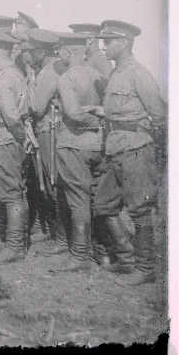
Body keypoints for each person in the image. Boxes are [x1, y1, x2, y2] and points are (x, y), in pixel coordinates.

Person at [89, 20, 167, 285]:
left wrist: (157, 152)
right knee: (104, 203)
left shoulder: (139, 73)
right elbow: (117, 110)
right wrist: (98, 111)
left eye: (109, 41)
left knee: (139, 209)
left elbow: (159, 115)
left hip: (135, 149)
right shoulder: (116, 73)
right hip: (116, 147)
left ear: (124, 42)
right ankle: (127, 259)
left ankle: (145, 269)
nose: (104, 46)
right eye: (103, 41)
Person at [48, 31, 115, 272]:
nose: (59, 54)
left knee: (78, 200)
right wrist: (99, 121)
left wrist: (90, 119)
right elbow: (107, 109)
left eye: (61, 51)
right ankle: (104, 253)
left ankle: (79, 255)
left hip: (73, 144)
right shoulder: (99, 75)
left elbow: (74, 113)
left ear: (67, 52)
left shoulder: (66, 77)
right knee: (97, 199)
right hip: (98, 145)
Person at [0, 28, 30, 265]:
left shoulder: (2, 77)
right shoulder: (16, 73)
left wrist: (21, 138)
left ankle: (14, 247)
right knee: (16, 192)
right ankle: (16, 240)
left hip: (4, 140)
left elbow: (11, 116)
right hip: (11, 140)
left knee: (10, 195)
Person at [24, 28, 69, 249]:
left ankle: (62, 236)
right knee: (45, 181)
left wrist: (30, 84)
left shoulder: (48, 73)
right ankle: (54, 230)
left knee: (52, 181)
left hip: (49, 130)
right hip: (44, 129)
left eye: (31, 53)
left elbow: (37, 107)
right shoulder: (47, 70)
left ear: (41, 52)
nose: (28, 57)